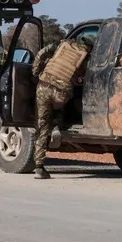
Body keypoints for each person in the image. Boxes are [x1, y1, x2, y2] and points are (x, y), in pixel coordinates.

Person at [30, 34, 93, 179]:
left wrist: (36, 72)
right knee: (61, 106)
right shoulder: (85, 57)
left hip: (44, 86)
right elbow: (84, 78)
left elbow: (41, 53)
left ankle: (39, 167)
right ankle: (57, 125)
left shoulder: (61, 46)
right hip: (62, 92)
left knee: (41, 127)